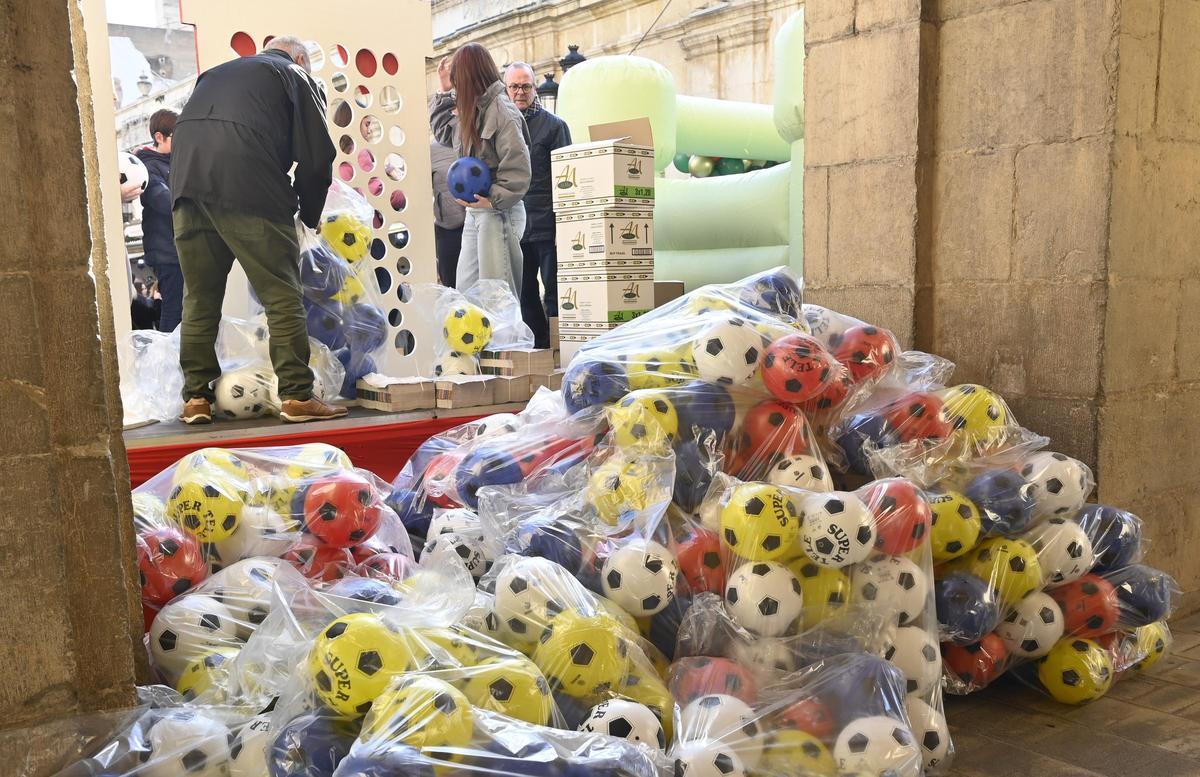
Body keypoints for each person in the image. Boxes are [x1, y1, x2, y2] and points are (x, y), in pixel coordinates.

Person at [170, 36, 341, 425]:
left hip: (187, 187)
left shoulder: (215, 74)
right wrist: (309, 217)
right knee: (281, 296)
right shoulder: (295, 74)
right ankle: (298, 396)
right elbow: (317, 158)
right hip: (250, 187)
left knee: (199, 298)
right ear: (299, 58)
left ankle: (196, 398)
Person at [429, 43, 532, 296]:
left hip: (498, 212)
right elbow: (444, 131)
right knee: (469, 293)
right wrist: (443, 92)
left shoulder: (503, 112)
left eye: (457, 82)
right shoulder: (472, 111)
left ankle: (507, 339)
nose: (456, 88)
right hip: (477, 213)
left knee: (498, 298)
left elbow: (518, 170)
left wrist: (492, 200)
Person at [504, 62, 572, 349]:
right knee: (524, 292)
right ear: (506, 89)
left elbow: (569, 175)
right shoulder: (503, 127)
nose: (520, 92)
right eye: (514, 86)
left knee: (555, 291)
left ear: (534, 88)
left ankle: (561, 348)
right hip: (515, 226)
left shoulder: (555, 126)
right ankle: (541, 347)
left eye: (526, 86)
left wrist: (564, 223)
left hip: (548, 224)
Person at [135, 109, 184, 332]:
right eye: (177, 135)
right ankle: (169, 363)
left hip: (182, 248)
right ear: (159, 137)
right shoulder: (146, 166)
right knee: (173, 311)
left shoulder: (176, 162)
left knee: (188, 310)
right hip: (167, 252)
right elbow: (163, 200)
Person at [430, 138, 466, 286]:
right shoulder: (432, 151)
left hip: (479, 223)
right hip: (448, 229)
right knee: (451, 286)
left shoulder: (476, 139)